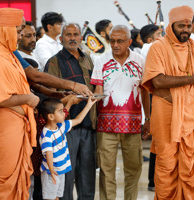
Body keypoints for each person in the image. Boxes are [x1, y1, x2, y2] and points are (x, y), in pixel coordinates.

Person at [90, 25, 150, 200]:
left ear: (129, 42)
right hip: (106, 126)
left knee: (134, 169)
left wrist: (148, 119)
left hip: (133, 125)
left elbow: (145, 92)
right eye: (112, 41)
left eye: (120, 41)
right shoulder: (102, 61)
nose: (115, 45)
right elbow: (98, 91)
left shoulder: (140, 61)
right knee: (106, 171)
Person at [142, 5, 194, 200]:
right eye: (181, 26)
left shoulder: (192, 48)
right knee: (166, 164)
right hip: (166, 116)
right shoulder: (158, 47)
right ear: (171, 26)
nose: (185, 30)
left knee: (190, 166)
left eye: (188, 26)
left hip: (190, 116)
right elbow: (158, 80)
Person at [45, 23, 97, 200]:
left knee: (88, 174)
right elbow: (48, 96)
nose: (72, 38)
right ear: (61, 38)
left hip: (88, 125)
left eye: (76, 34)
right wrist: (68, 98)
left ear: (81, 38)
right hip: (66, 128)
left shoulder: (87, 59)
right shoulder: (54, 62)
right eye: (68, 35)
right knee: (67, 175)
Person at [0, 8, 40, 199]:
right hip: (5, 127)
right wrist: (28, 99)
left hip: (17, 127)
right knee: (5, 180)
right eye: (18, 31)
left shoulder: (9, 54)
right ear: (6, 30)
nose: (20, 36)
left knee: (19, 178)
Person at [39, 96, 96, 200]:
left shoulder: (61, 126)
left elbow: (78, 120)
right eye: (61, 111)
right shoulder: (46, 135)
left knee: (56, 197)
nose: (64, 113)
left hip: (60, 171)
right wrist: (51, 170)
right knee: (49, 198)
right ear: (51, 117)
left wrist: (89, 105)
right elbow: (49, 153)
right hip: (51, 172)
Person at [140, 24, 162, 192]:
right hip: (156, 97)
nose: (162, 36)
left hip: (155, 97)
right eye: (159, 33)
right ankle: (154, 181)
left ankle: (153, 181)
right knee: (159, 140)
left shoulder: (151, 46)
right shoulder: (152, 47)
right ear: (150, 38)